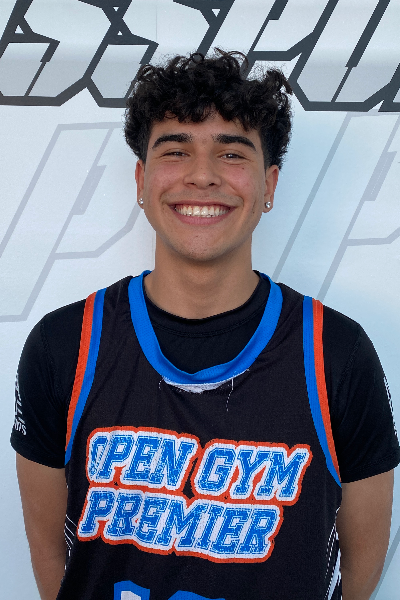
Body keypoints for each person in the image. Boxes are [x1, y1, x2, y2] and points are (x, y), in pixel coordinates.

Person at [11, 50, 399, 600]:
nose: (201, 175)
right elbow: (52, 555)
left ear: (269, 185)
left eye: (231, 153)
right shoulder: (62, 347)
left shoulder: (337, 353)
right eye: (176, 150)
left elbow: (360, 569)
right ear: (141, 180)